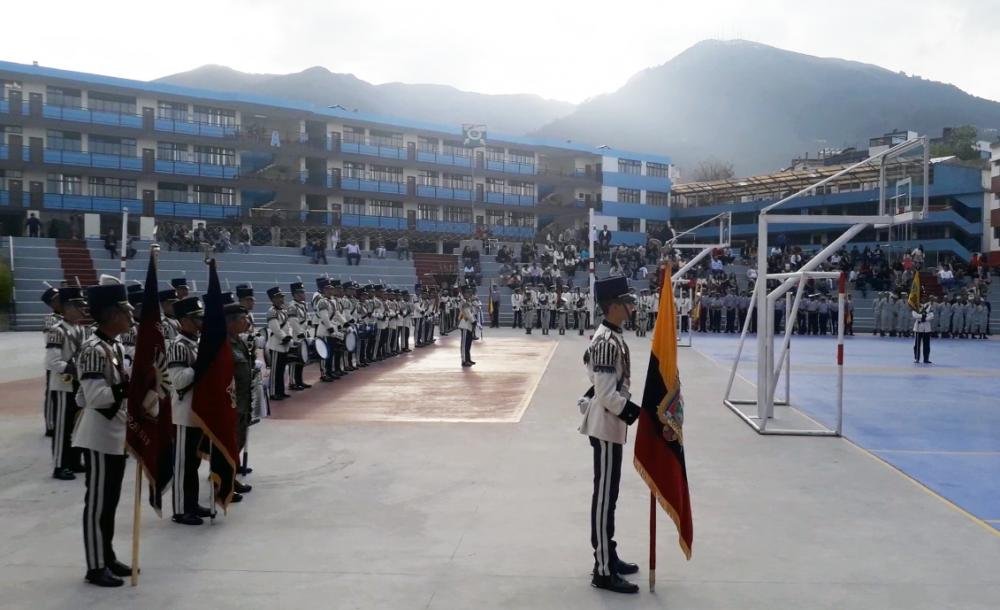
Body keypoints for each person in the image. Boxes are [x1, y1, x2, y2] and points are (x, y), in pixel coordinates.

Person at [71, 282, 138, 587]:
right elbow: (94, 397)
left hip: (116, 433)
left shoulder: (115, 346)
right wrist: (130, 386)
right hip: (99, 436)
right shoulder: (93, 349)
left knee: (109, 502)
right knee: (98, 502)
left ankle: (107, 556)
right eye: (127, 311)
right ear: (113, 314)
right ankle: (95, 565)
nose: (132, 316)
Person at [577, 276, 641, 594]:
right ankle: (602, 570)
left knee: (609, 498)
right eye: (626, 303)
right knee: (604, 499)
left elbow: (596, 376)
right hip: (605, 426)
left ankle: (608, 554)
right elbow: (605, 394)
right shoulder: (605, 341)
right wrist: (635, 412)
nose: (631, 308)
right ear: (613, 306)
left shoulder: (610, 336)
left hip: (610, 426)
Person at [167, 296, 212, 526]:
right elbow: (178, 381)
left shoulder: (196, 343)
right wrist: (199, 365)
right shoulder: (178, 346)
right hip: (184, 413)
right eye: (196, 319)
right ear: (184, 320)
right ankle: (180, 509)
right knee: (184, 465)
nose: (200, 323)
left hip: (198, 412)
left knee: (193, 464)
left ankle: (192, 504)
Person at [45, 286, 87, 480]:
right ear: (68, 307)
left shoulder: (80, 329)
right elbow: (53, 362)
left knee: (76, 424)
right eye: (79, 307)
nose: (82, 310)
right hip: (63, 385)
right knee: (62, 426)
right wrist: (75, 369)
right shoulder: (57, 330)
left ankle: (74, 460)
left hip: (78, 384)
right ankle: (60, 465)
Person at [223, 295, 254, 496]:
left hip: (243, 401)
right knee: (229, 442)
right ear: (231, 322)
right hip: (230, 404)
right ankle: (224, 481)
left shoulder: (239, 342)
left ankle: (231, 476)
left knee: (239, 440)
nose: (247, 322)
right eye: (242, 319)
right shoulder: (223, 344)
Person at [265, 286, 292, 400]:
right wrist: (284, 337)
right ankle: (272, 392)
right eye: (278, 297)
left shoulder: (283, 311)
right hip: (276, 345)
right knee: (275, 371)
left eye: (281, 297)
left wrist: (289, 335)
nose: (281, 299)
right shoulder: (271, 312)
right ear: (272, 299)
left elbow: (288, 325)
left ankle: (281, 391)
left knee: (281, 370)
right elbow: (275, 328)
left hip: (284, 345)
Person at [458, 286, 477, 367]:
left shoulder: (469, 301)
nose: (469, 294)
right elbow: (468, 313)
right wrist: (473, 321)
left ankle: (468, 359)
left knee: (468, 344)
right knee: (464, 344)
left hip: (469, 325)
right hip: (465, 324)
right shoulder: (464, 302)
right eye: (467, 292)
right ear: (464, 294)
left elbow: (474, 310)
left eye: (470, 292)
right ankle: (464, 360)